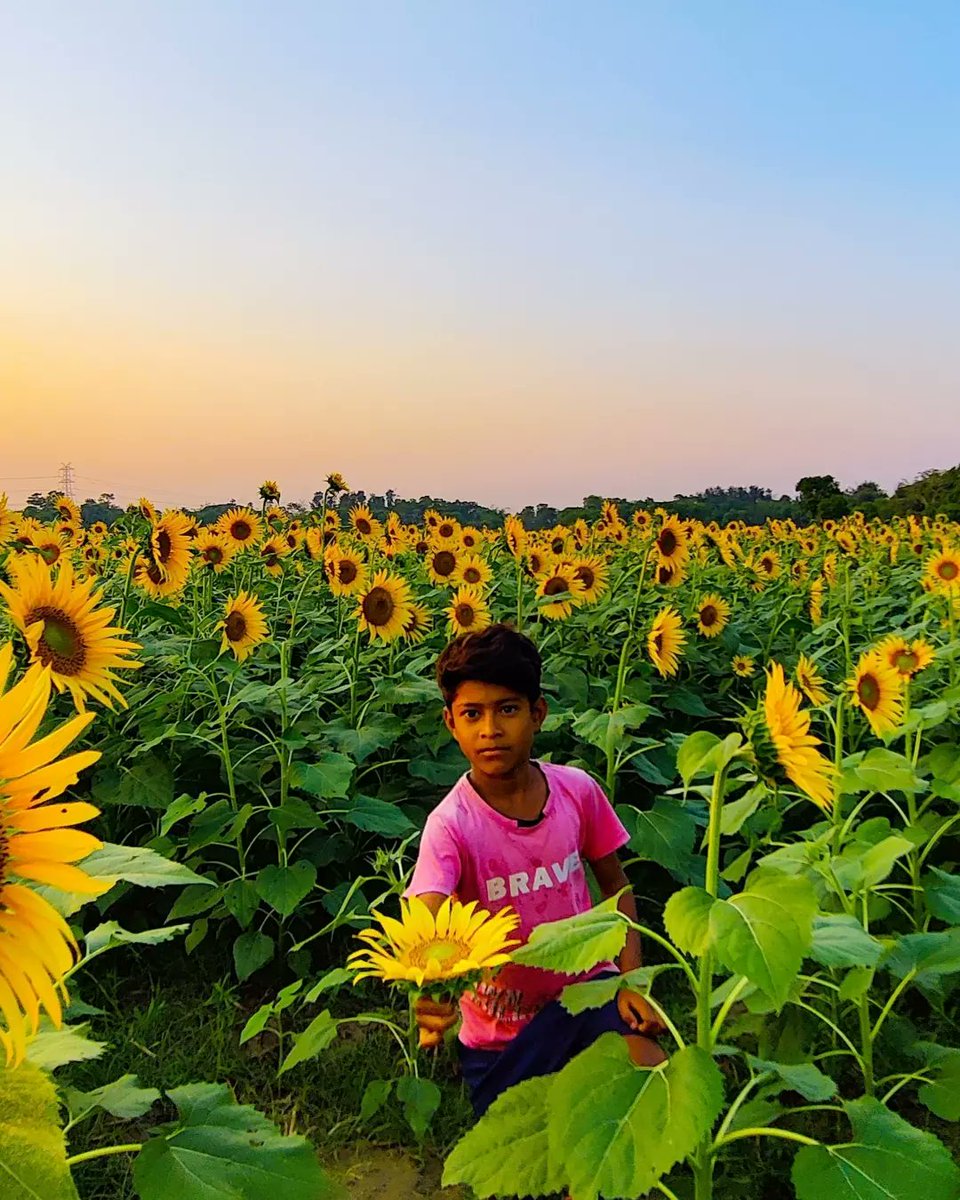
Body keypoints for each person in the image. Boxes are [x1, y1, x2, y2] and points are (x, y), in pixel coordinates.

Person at [406, 622, 667, 1120]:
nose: (490, 730)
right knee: (530, 1160)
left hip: (590, 994)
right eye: (472, 714)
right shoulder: (452, 825)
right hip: (502, 1034)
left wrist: (633, 982)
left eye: (507, 709)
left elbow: (616, 886)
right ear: (451, 724)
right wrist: (428, 985)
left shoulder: (577, 792)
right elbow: (427, 918)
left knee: (652, 1090)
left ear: (537, 713)